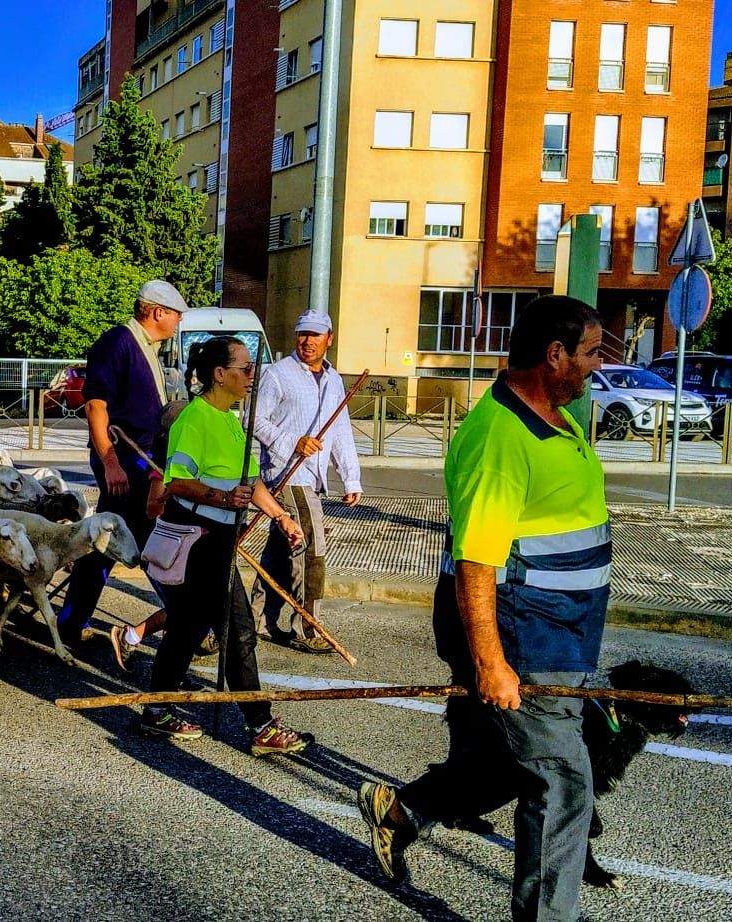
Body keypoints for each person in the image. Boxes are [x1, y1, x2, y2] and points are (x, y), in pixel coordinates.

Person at [357, 296, 609, 922]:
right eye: (591, 353)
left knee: (509, 765)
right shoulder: (499, 438)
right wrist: (491, 662)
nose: (597, 366)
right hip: (524, 635)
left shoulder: (555, 416)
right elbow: (477, 564)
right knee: (561, 780)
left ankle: (402, 810)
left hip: (564, 635)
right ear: (555, 356)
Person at [135, 334, 310, 756]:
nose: (252, 376)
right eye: (245, 368)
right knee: (237, 630)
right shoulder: (193, 419)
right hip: (197, 540)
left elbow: (251, 483)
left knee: (188, 625)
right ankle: (260, 722)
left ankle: (158, 707)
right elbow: (175, 482)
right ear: (219, 374)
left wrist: (282, 517)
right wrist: (220, 498)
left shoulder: (233, 420)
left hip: (219, 540)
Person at [57, 280, 184, 661]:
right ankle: (187, 616)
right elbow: (96, 407)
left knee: (107, 544)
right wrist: (111, 462)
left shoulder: (147, 347)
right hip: (125, 461)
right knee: (148, 537)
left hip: (140, 460)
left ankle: (70, 621)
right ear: (157, 312)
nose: (178, 322)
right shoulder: (118, 343)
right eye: (176, 314)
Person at [250, 310, 362, 654]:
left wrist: (351, 477)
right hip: (286, 475)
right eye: (303, 334)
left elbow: (340, 430)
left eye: (316, 335)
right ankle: (308, 626)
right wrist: (292, 441)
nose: (308, 341)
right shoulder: (277, 374)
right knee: (312, 550)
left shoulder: (334, 379)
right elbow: (253, 420)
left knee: (279, 552)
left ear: (329, 338)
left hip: (312, 478)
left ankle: (254, 619)